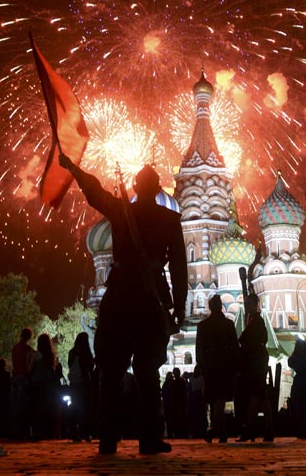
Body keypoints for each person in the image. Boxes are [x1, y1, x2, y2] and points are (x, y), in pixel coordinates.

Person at [60, 154, 187, 455]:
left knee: (112, 373)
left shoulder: (120, 211)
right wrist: (179, 306)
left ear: (134, 185)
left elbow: (93, 191)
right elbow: (180, 267)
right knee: (147, 373)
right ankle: (149, 438)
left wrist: (73, 167)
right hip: (150, 298)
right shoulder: (170, 219)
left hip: (119, 296)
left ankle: (107, 437)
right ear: (158, 188)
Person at [196, 294, 238, 443]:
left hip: (210, 366)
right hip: (224, 366)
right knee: (219, 399)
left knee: (214, 400)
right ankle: (220, 432)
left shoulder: (203, 326)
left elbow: (199, 349)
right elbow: (235, 346)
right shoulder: (228, 324)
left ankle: (216, 430)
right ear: (220, 306)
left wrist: (201, 365)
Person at [237, 294, 273, 442]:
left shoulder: (256, 321)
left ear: (254, 304)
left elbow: (246, 339)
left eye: (249, 303)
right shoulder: (253, 320)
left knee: (258, 396)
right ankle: (258, 430)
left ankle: (258, 430)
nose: (247, 306)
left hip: (256, 363)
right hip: (256, 362)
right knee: (258, 396)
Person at [30, 333, 63, 440]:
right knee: (49, 408)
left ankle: (39, 432)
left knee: (38, 409)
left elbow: (30, 369)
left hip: (37, 383)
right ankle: (51, 432)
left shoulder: (36, 355)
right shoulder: (51, 356)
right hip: (48, 385)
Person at [67, 331, 95, 442]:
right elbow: (91, 367)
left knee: (75, 407)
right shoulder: (85, 352)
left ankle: (74, 431)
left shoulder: (71, 352)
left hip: (74, 383)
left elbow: (70, 365)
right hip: (84, 383)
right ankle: (86, 432)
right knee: (86, 408)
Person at [10, 328, 36, 438]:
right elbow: (29, 365)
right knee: (22, 405)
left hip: (15, 376)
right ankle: (20, 430)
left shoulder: (15, 348)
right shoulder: (29, 349)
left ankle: (12, 429)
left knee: (14, 403)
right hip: (24, 377)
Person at [288, 338, 306, 439]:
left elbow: (290, 362)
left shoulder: (295, 359)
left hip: (299, 381)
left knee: (298, 406)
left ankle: (300, 429)